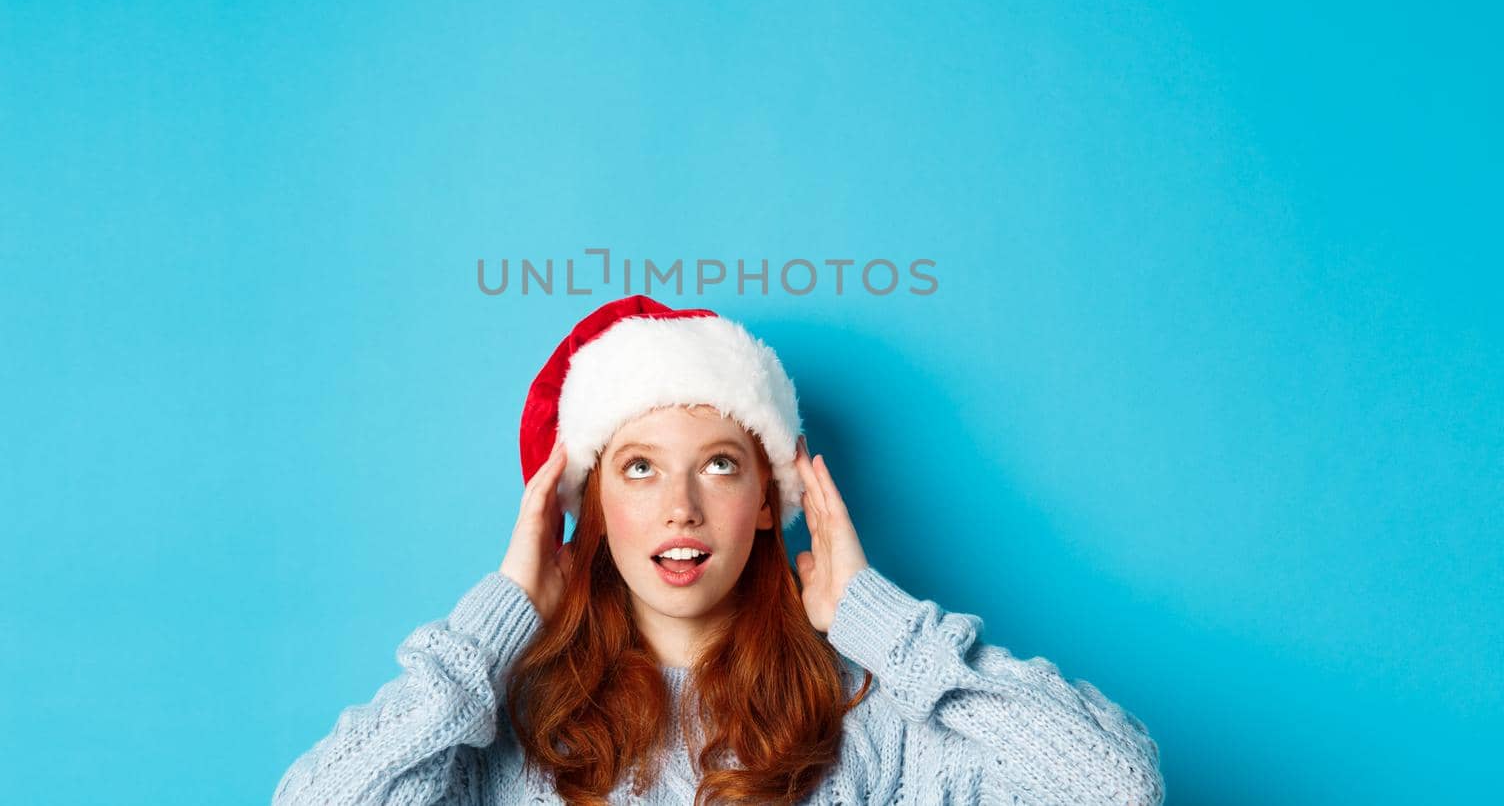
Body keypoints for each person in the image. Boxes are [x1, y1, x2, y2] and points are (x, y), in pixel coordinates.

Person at [271, 295, 1165, 805]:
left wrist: (879, 622)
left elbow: (1114, 786)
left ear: (774, 500)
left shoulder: (867, 716)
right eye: (639, 467)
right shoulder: (503, 734)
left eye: (721, 465)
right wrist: (495, 623)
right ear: (583, 505)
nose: (681, 506)